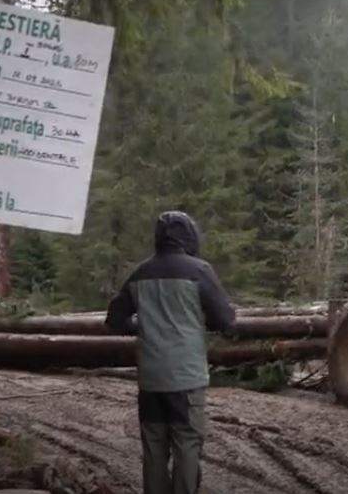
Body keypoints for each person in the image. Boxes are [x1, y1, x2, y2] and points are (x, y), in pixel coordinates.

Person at [105, 210, 236, 494]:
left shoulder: (140, 273)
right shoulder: (199, 271)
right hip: (186, 378)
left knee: (154, 450)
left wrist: (140, 324)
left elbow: (114, 319)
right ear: (189, 236)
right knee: (186, 447)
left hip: (151, 379)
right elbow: (225, 321)